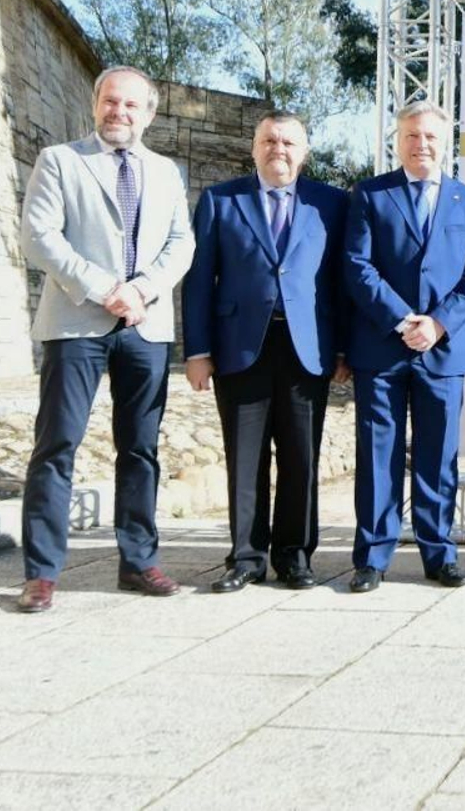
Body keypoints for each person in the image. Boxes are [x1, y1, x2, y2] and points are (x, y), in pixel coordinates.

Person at [15, 66, 195, 613]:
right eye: (110, 103)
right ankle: (42, 573)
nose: (119, 112)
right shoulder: (61, 161)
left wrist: (140, 290)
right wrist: (103, 288)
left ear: (149, 113)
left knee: (140, 449)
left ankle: (138, 561)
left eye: (131, 105)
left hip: (145, 325)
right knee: (56, 446)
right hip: (76, 323)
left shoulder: (167, 172)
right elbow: (38, 235)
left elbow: (181, 243)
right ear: (95, 105)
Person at [182, 111, 349, 593]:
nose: (279, 149)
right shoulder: (220, 200)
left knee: (302, 457)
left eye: (289, 142)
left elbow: (340, 283)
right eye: (269, 140)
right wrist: (197, 350)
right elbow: (199, 282)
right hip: (239, 348)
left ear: (305, 152)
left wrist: (341, 350)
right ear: (254, 148)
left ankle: (295, 557)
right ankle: (246, 558)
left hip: (307, 348)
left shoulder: (331, 204)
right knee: (244, 457)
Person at [344, 101, 465, 593]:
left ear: (445, 141)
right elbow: (358, 267)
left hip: (442, 351)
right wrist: (404, 319)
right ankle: (372, 557)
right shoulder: (369, 194)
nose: (420, 144)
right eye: (411, 136)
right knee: (377, 455)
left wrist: (438, 325)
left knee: (438, 455)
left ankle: (439, 553)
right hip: (382, 348)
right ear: (397, 139)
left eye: (430, 136)